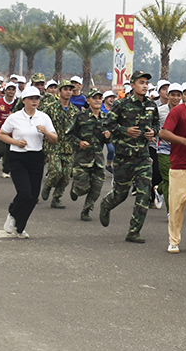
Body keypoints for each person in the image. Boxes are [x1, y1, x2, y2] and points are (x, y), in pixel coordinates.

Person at [99, 70, 162, 244]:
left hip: (143, 157)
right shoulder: (121, 104)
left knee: (144, 193)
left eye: (146, 83)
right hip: (123, 157)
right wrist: (124, 130)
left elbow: (156, 123)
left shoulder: (151, 105)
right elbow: (107, 123)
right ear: (132, 85)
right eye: (141, 82)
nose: (145, 86)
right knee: (120, 195)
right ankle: (106, 205)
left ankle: (134, 231)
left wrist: (153, 132)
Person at [0, 86, 58, 239]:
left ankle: (20, 227)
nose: (34, 101)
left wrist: (45, 132)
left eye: (37, 98)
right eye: (31, 98)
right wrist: (15, 142)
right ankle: (12, 215)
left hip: (36, 157)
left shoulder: (43, 117)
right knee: (24, 193)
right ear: (23, 100)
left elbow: (54, 139)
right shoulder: (15, 117)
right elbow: (2, 134)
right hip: (18, 157)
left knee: (33, 196)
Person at [69, 89, 112, 221]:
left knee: (97, 187)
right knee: (83, 188)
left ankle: (87, 210)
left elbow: (109, 140)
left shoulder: (106, 119)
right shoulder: (80, 116)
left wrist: (109, 137)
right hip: (82, 159)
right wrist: (79, 142)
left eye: (100, 98)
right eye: (95, 98)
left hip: (98, 159)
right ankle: (76, 189)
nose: (98, 100)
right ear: (88, 101)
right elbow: (68, 135)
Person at [41, 80, 79, 210]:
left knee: (66, 175)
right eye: (65, 89)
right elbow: (42, 124)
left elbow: (77, 128)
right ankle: (48, 185)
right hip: (53, 145)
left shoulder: (75, 110)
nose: (68, 91)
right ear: (60, 91)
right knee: (56, 171)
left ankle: (56, 198)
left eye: (70, 89)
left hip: (68, 146)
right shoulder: (50, 107)